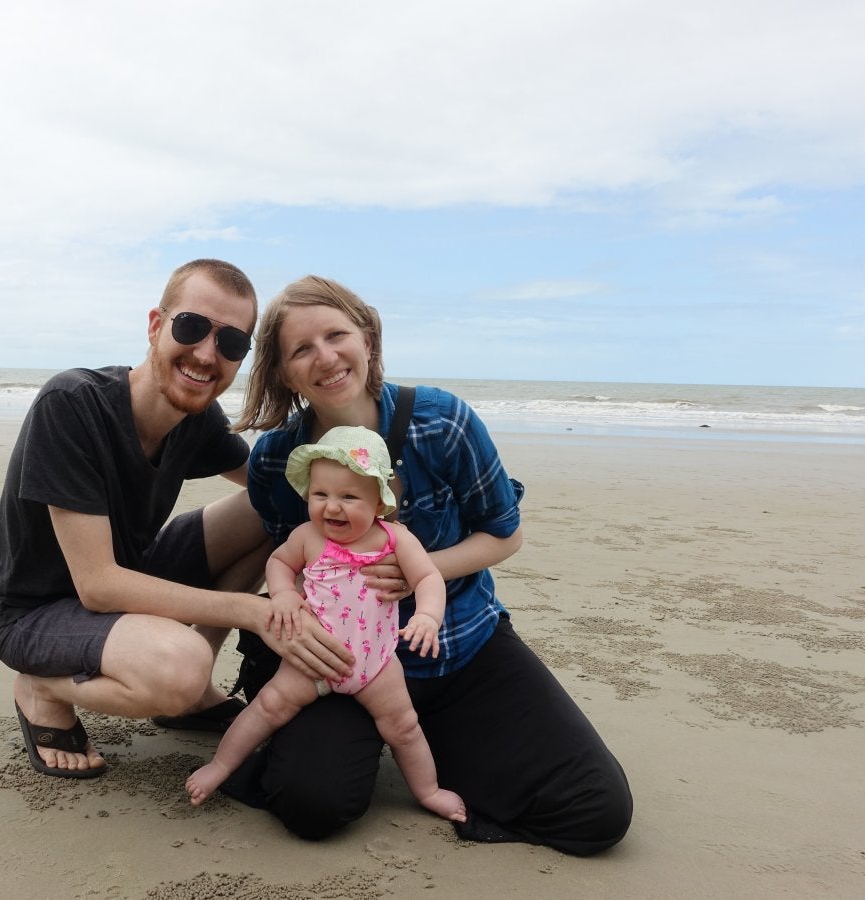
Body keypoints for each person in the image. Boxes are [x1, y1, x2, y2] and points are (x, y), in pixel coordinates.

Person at [226, 275, 633, 856]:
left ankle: (428, 739)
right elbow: (287, 563)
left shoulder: (441, 421)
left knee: (596, 810)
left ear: (366, 336)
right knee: (311, 802)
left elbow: (504, 532)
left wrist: (423, 571)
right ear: (283, 372)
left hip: (460, 643)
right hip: (341, 666)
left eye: (336, 334)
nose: (326, 357)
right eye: (301, 349)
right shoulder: (275, 461)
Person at [0, 260, 353, 779]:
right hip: (37, 614)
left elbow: (279, 487)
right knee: (179, 669)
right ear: (157, 325)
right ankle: (40, 687)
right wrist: (253, 611)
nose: (206, 353)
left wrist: (382, 530)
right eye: (191, 326)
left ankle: (194, 690)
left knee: (274, 505)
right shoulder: (72, 405)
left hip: (136, 571)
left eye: (231, 344)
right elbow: (99, 587)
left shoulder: (197, 417)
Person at [187, 426, 466, 824]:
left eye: (349, 497)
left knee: (403, 727)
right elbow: (279, 563)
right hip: (311, 658)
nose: (331, 507)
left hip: (376, 664)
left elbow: (428, 578)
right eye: (321, 495)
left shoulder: (395, 539)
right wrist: (283, 593)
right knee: (268, 706)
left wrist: (427, 615)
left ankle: (428, 791)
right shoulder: (306, 537)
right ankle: (221, 766)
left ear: (379, 503)